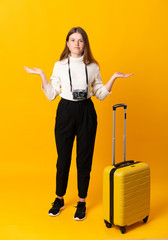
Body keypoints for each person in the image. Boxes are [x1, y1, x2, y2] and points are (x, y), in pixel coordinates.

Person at [24, 26, 134, 221]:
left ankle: (82, 201)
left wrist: (113, 79)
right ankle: (59, 198)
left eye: (80, 40)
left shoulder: (93, 66)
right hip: (65, 111)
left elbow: (99, 94)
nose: (76, 43)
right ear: (67, 43)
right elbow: (51, 95)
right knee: (63, 158)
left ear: (85, 44)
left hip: (86, 112)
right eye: (73, 40)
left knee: (84, 158)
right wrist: (42, 75)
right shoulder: (59, 65)